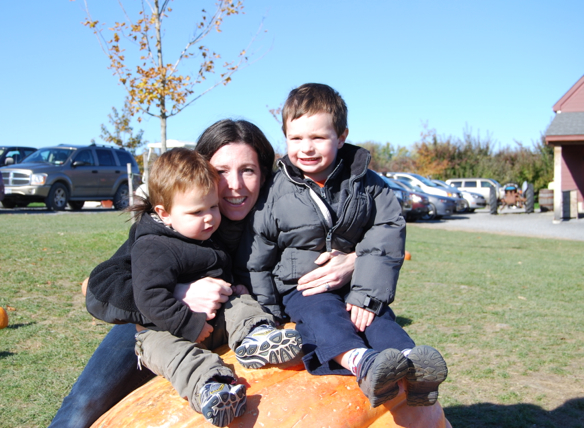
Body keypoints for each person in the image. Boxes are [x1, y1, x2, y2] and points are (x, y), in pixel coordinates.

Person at [48, 119, 357, 428]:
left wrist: (355, 260)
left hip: (236, 324)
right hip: (158, 323)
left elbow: (366, 238)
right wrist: (178, 292)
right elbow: (97, 286)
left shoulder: (284, 217)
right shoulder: (176, 225)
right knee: (85, 403)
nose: (235, 184)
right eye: (221, 172)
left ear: (263, 174)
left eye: (247, 170)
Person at [235, 83, 448, 409]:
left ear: (341, 136)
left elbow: (387, 230)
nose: (306, 148)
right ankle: (361, 362)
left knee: (376, 318)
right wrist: (269, 313)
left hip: (355, 284)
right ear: (285, 137)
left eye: (318, 138)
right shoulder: (275, 190)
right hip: (301, 287)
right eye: (296, 138)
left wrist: (367, 294)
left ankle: (414, 364)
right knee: (323, 316)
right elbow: (257, 253)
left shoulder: (367, 184)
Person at [85, 147, 302, 426]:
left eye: (212, 207)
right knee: (174, 355)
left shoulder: (202, 231)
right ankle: (210, 387)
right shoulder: (153, 246)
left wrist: (232, 289)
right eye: (198, 211)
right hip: (163, 330)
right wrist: (186, 312)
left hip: (212, 320)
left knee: (241, 302)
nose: (210, 217)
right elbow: (144, 296)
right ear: (164, 214)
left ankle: (255, 336)